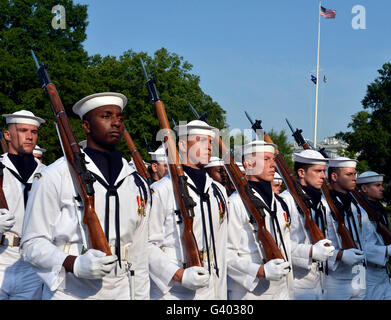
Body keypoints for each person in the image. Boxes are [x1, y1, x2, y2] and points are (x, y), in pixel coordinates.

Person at [20, 92, 151, 300]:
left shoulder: (137, 182)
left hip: (123, 289)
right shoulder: (55, 175)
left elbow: (140, 254)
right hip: (71, 291)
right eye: (106, 116)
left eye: (120, 118)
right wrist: (73, 263)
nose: (116, 123)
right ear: (86, 126)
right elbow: (31, 245)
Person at [148, 119, 228, 300]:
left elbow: (222, 245)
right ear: (182, 145)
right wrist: (178, 274)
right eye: (201, 140)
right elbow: (147, 244)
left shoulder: (218, 191)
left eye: (210, 141)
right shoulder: (162, 189)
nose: (208, 146)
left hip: (212, 286)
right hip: (173, 291)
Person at [227, 140, 293, 300]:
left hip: (282, 289)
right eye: (266, 159)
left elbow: (287, 248)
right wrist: (260, 271)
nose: (273, 165)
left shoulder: (279, 203)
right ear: (248, 164)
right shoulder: (235, 202)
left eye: (273, 160)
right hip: (250, 293)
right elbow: (226, 254)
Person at [0, 110, 45, 299]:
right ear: (8, 135)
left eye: (34, 132)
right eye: (23, 130)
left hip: (31, 265)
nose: (29, 136)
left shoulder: (48, 174)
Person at [280, 149, 335, 300]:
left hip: (320, 282)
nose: (323, 176)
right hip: (297, 284)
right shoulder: (286, 201)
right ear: (301, 173)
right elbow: (281, 245)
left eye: (323, 171)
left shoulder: (319, 201)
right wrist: (310, 251)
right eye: (318, 171)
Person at [356, 171, 391, 300]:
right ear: (364, 188)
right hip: (368, 273)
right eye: (377, 185)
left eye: (381, 185)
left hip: (383, 271)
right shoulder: (357, 210)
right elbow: (359, 245)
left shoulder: (377, 207)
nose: (382, 188)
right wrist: (387, 250)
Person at [323, 157, 367, 300]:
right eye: (349, 174)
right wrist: (339, 255)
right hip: (336, 278)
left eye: (355, 174)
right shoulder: (324, 205)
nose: (355, 178)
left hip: (358, 275)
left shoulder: (355, 205)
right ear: (334, 177)